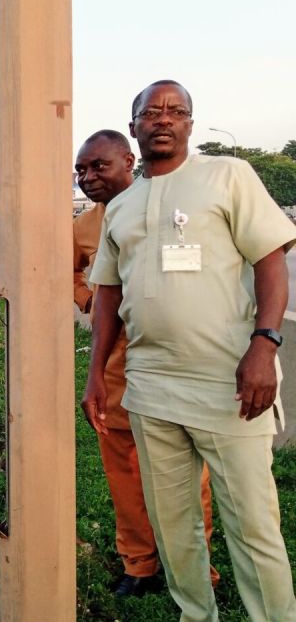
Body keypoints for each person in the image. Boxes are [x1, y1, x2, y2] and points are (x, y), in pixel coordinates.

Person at [83, 80, 296, 621]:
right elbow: (107, 295)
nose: (164, 118)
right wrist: (93, 378)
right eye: (151, 111)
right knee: (175, 526)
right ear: (134, 126)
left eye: (176, 111)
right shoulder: (122, 207)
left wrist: (265, 344)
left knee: (253, 526)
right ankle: (194, 613)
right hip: (150, 387)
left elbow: (270, 260)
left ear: (190, 126)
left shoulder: (227, 176)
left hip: (229, 383)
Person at [73, 130, 218, 597]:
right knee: (125, 471)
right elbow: (71, 269)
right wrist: (88, 298)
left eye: (99, 167)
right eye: (81, 171)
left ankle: (198, 570)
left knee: (188, 473)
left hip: (173, 361)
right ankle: (139, 564)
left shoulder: (165, 205)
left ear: (128, 161)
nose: (89, 178)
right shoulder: (82, 226)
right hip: (116, 368)